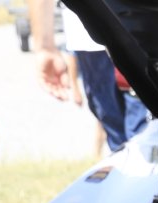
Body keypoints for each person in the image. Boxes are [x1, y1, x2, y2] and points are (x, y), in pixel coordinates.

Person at [30, 0, 148, 153]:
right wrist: (44, 47)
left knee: (139, 127)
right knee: (124, 129)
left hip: (124, 28)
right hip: (99, 34)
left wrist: (44, 47)